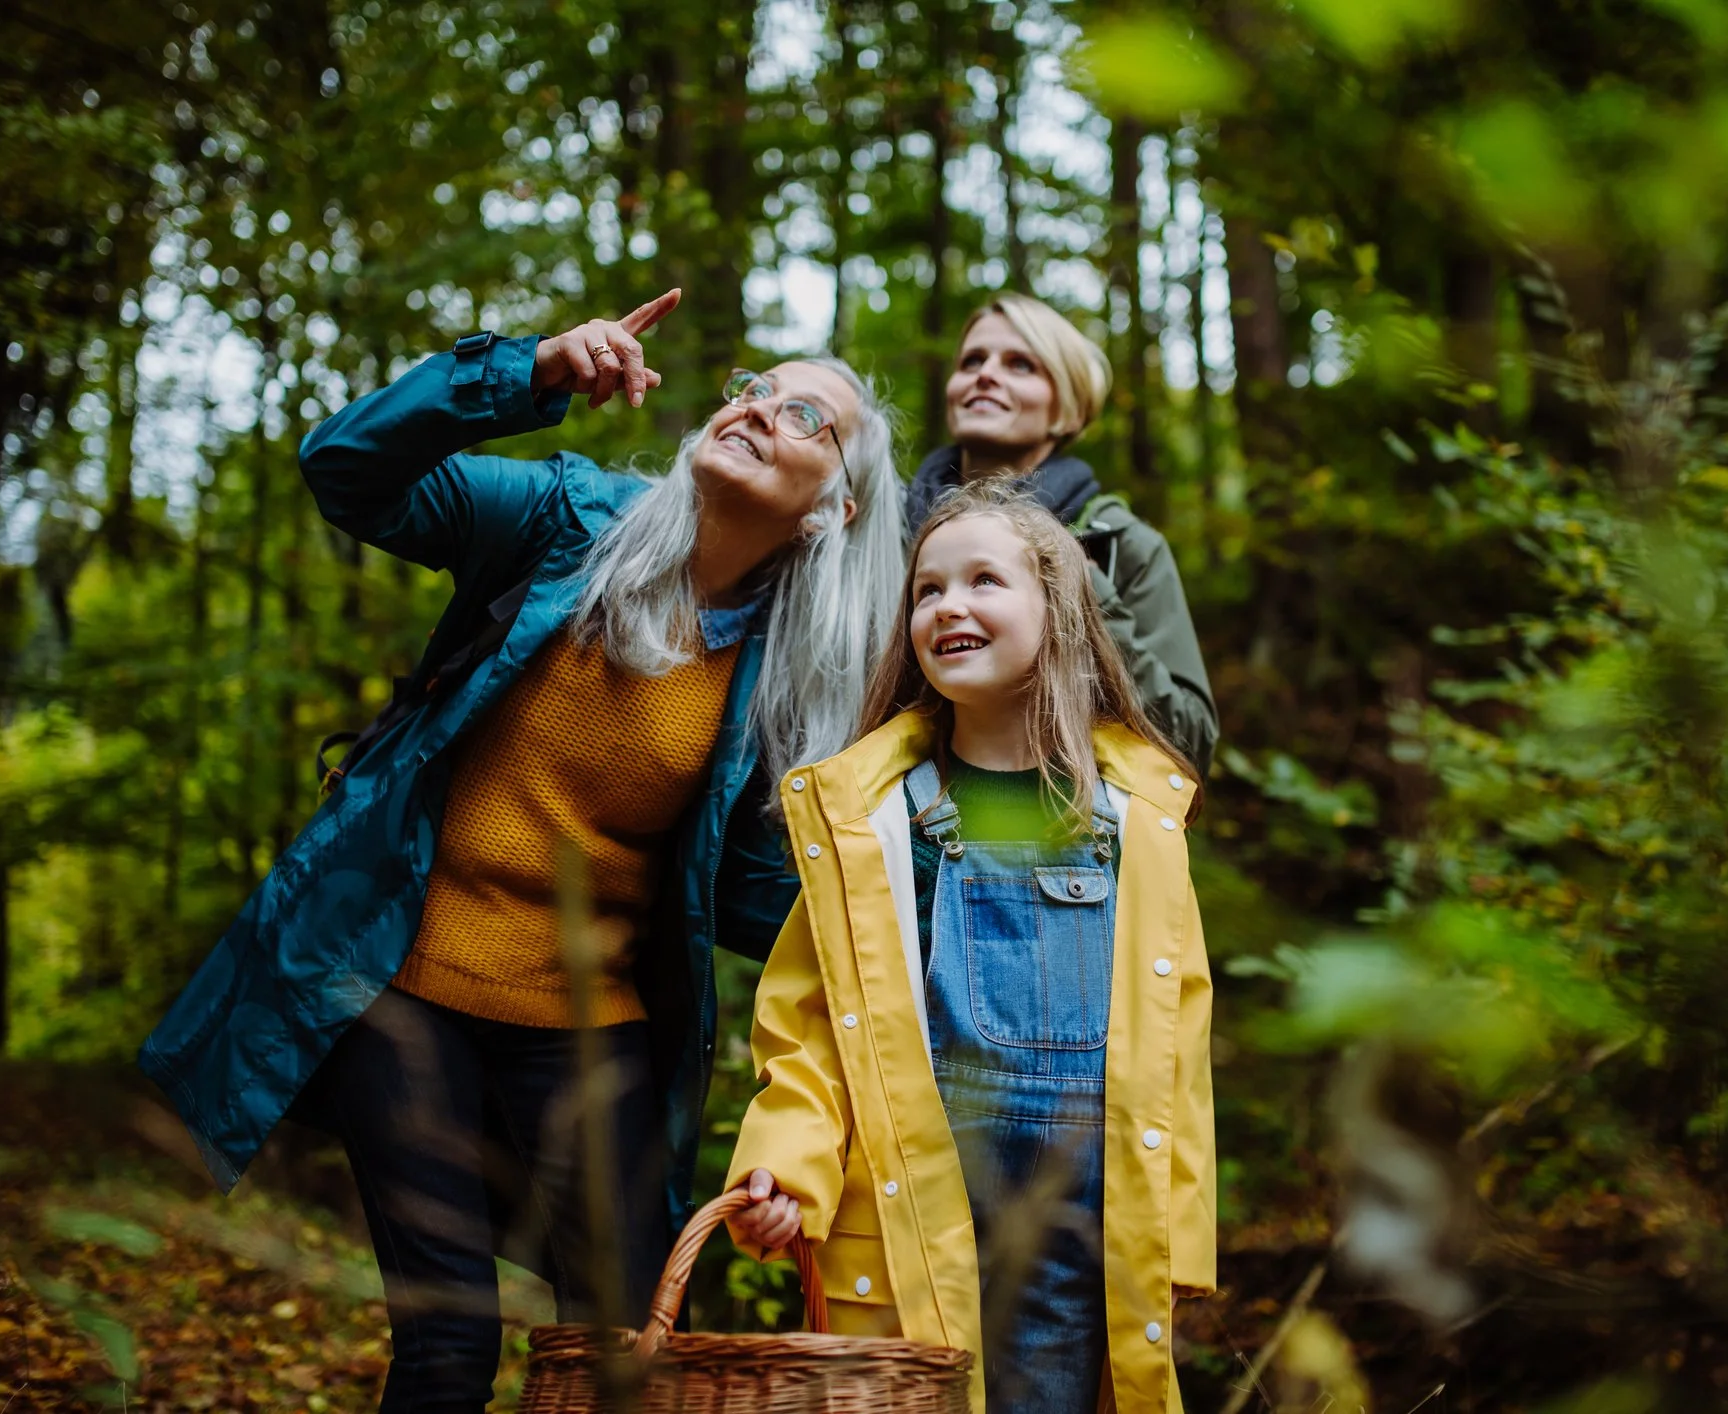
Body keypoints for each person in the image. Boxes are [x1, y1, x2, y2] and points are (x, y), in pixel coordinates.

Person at [137, 289, 906, 1410]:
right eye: (751, 389)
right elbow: (344, 468)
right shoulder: (564, 519)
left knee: (628, 1342)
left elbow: (759, 909)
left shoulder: (787, 681)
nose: (754, 409)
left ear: (830, 510)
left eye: (803, 416)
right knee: (449, 1344)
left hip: (591, 1029)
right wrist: (525, 375)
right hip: (408, 990)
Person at [723, 482, 1217, 1414]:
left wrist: (1179, 1234)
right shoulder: (870, 818)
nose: (947, 605)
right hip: (910, 1209)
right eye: (925, 590)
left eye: (983, 581)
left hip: (1081, 1228)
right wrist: (786, 1158)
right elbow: (810, 1022)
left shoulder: (1136, 820)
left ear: (1059, 611)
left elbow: (1177, 1037)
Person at [907, 292, 1218, 773]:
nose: (985, 374)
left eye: (1021, 365)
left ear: (1067, 412)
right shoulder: (886, 524)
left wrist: (1092, 598)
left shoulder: (1119, 545)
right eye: (972, 361)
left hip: (1062, 831)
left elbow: (1190, 740)